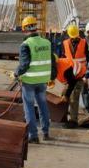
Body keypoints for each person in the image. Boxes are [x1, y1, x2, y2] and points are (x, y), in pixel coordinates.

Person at [13, 16, 57, 144]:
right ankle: (46, 132)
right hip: (43, 81)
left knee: (29, 108)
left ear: (24, 28)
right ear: (36, 27)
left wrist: (16, 74)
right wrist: (52, 77)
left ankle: (33, 135)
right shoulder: (47, 43)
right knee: (43, 106)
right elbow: (53, 62)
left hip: (29, 82)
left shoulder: (25, 45)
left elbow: (24, 65)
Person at [58, 24, 89, 129]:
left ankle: (73, 120)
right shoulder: (65, 43)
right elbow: (62, 57)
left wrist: (87, 76)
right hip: (69, 73)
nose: (74, 38)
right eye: (73, 36)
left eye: (76, 36)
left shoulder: (84, 43)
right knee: (64, 94)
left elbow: (88, 59)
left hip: (80, 74)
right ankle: (63, 116)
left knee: (74, 97)